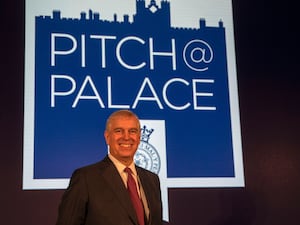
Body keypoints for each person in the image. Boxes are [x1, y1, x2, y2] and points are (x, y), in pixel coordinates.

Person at [56, 110, 163, 225]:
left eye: (132, 131)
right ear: (107, 137)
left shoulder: (152, 180)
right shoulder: (85, 178)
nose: (126, 137)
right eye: (119, 131)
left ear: (138, 137)